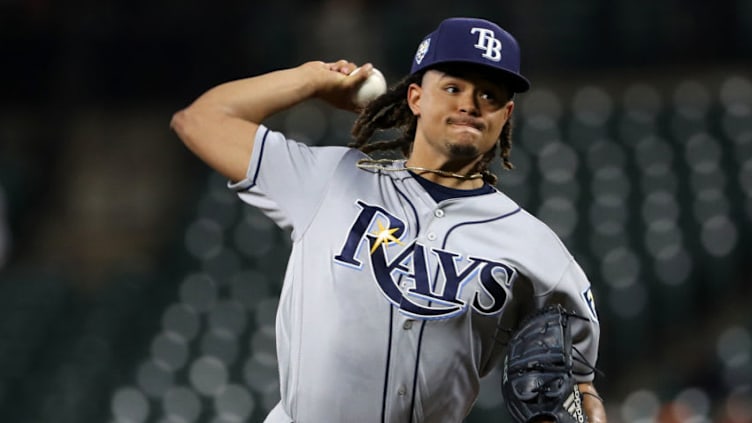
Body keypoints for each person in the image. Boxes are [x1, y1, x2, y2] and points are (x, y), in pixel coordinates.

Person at [171, 16, 607, 423]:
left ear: (505, 116)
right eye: (454, 87)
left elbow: (578, 382)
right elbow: (200, 121)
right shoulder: (329, 180)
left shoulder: (535, 248)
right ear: (415, 97)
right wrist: (312, 79)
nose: (471, 104)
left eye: (490, 95)